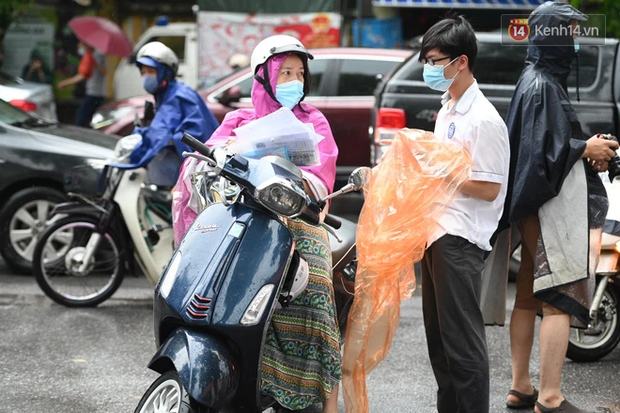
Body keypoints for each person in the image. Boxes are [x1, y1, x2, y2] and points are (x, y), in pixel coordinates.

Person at [172, 35, 340, 413]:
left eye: (300, 73)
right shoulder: (238, 120)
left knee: (316, 297)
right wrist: (219, 155)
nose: (294, 81)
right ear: (262, 77)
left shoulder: (314, 121)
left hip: (299, 221)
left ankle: (330, 401)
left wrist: (295, 178)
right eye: (285, 74)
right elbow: (206, 160)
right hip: (245, 219)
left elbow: (321, 180)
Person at [500, 3, 619, 413]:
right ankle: (549, 398)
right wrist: (586, 147)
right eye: (568, 30)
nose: (574, 39)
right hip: (547, 207)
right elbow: (540, 156)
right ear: (551, 34)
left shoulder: (536, 79)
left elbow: (542, 146)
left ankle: (521, 387)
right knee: (560, 296)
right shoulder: (542, 85)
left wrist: (586, 147)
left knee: (531, 294)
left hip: (534, 205)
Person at [418, 15, 510, 413]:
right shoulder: (448, 109)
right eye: (427, 60)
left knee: (463, 345)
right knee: (440, 344)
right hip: (436, 233)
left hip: (460, 239)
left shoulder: (484, 119)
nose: (429, 69)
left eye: (436, 60)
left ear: (461, 61)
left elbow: (489, 188)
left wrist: (442, 171)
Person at [122, 41, 219, 188]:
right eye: (143, 72)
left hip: (200, 167)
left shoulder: (177, 97)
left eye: (151, 72)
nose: (146, 77)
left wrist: (150, 138)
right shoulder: (166, 94)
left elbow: (188, 134)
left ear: (165, 72)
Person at [57, 41, 106, 127]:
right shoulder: (91, 56)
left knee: (81, 118)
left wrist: (65, 83)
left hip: (94, 93)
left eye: (81, 45)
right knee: (88, 118)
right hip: (93, 91)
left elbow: (83, 75)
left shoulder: (96, 55)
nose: (79, 48)